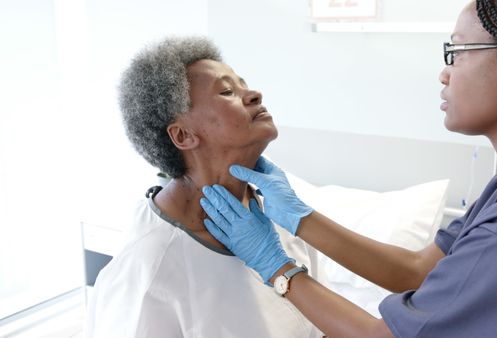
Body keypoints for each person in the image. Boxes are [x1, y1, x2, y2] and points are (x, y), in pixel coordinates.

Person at [200, 0, 497, 337]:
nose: (444, 74)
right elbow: (418, 269)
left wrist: (277, 268)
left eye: (457, 52)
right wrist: (301, 217)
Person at [85, 36, 324, 337]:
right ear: (183, 136)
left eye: (243, 83)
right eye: (227, 91)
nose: (254, 94)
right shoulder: (150, 268)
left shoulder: (282, 216)